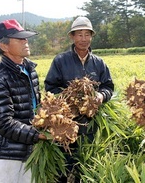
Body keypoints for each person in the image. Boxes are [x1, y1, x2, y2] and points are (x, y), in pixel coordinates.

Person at [44, 16, 114, 182]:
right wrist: (69, 98)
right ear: (72, 37)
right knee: (63, 165)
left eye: (87, 34)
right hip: (66, 124)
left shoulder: (99, 63)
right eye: (79, 34)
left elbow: (108, 87)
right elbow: (50, 87)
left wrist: (100, 96)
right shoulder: (60, 61)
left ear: (91, 36)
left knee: (86, 164)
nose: (84, 39)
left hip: (91, 124)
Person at [0, 19, 47, 183]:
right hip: (4, 154)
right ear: (4, 46)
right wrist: (40, 135)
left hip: (28, 149)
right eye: (20, 39)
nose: (26, 42)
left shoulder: (29, 70)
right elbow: (3, 123)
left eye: (26, 38)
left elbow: (34, 107)